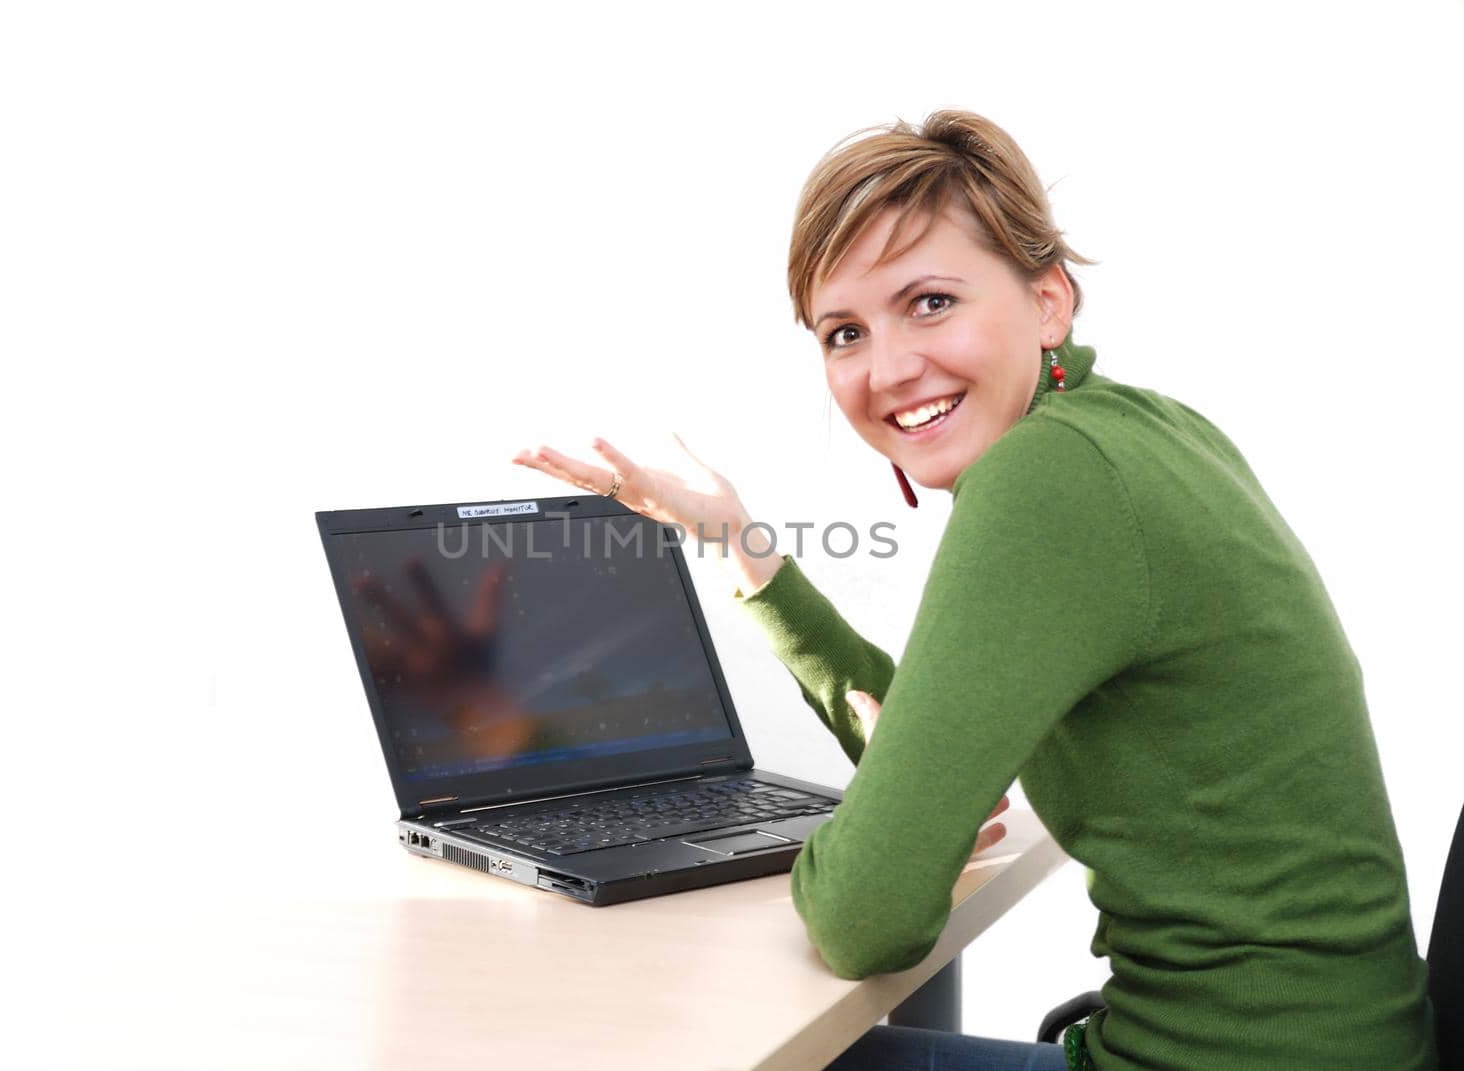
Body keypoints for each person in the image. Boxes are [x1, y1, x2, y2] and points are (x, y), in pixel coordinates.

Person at [512, 110, 1439, 1070]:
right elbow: (938, 720)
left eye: (930, 302)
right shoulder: (1145, 431)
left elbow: (864, 917)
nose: (889, 369)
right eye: (843, 332)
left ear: (1048, 301)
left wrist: (873, 842)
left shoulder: (1047, 481)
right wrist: (739, 544)